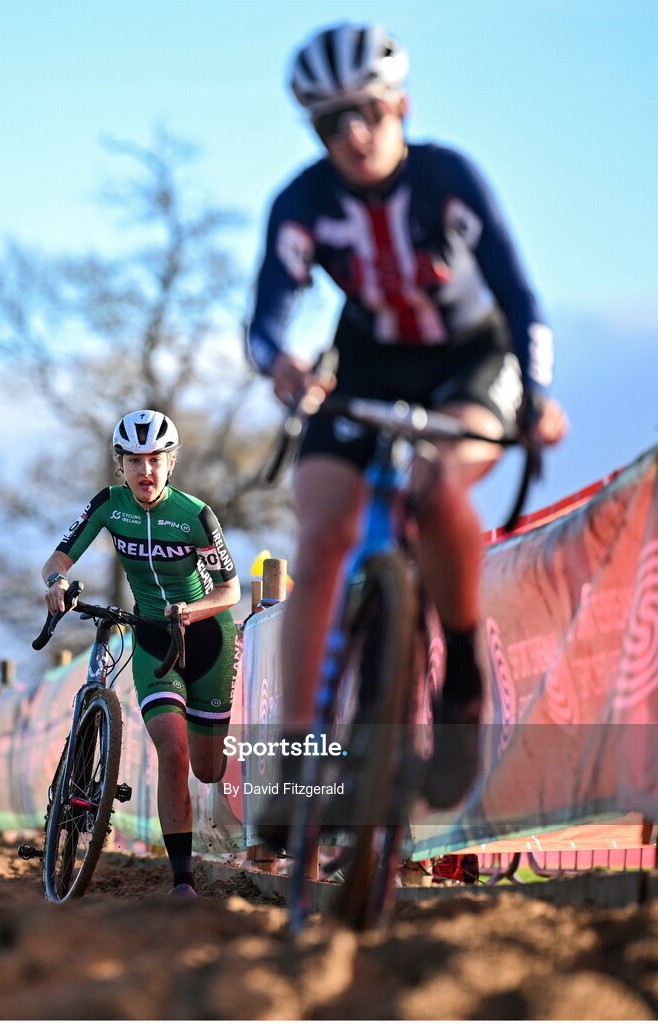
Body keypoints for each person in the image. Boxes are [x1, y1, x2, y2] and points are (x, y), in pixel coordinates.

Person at [246, 22, 568, 837]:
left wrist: (535, 396)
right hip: (368, 365)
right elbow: (262, 319)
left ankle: (460, 674)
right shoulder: (302, 203)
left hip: (469, 361)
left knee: (431, 486)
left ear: (400, 106)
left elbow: (520, 298)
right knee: (320, 534)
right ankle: (299, 760)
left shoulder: (447, 178)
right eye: (328, 122)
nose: (351, 134)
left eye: (366, 112)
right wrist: (279, 364)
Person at [41, 410, 240, 897]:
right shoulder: (109, 506)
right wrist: (56, 582)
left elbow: (231, 590)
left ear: (170, 463)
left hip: (208, 636)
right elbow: (58, 557)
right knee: (172, 752)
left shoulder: (195, 515)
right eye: (134, 461)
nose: (145, 471)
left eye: (155, 460)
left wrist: (192, 608)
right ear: (121, 465)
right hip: (151, 637)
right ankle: (182, 881)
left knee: (207, 768)